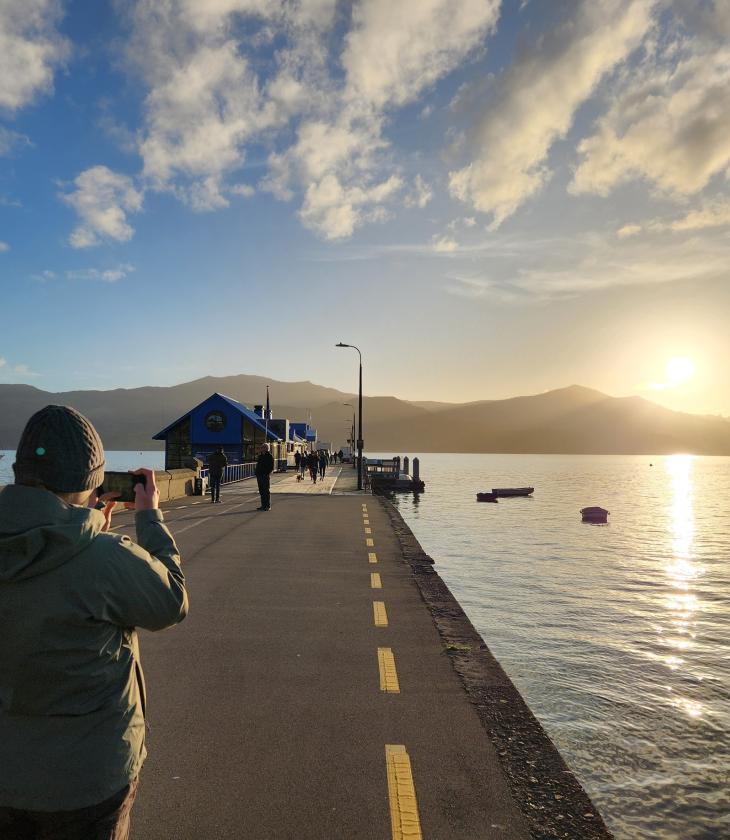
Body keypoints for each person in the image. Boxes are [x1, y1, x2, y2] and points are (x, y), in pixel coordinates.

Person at [0, 405, 188, 840]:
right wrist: (149, 518)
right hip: (86, 780)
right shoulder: (104, 558)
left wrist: (85, 532)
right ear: (90, 481)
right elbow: (171, 601)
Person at [255, 442, 274, 511]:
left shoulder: (269, 456)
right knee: (261, 491)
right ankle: (263, 505)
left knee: (266, 491)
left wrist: (267, 473)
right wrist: (256, 472)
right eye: (261, 447)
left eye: (262, 447)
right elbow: (258, 465)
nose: (261, 449)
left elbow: (271, 467)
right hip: (259, 475)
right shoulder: (260, 456)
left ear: (266, 448)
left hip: (265, 475)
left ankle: (267, 506)